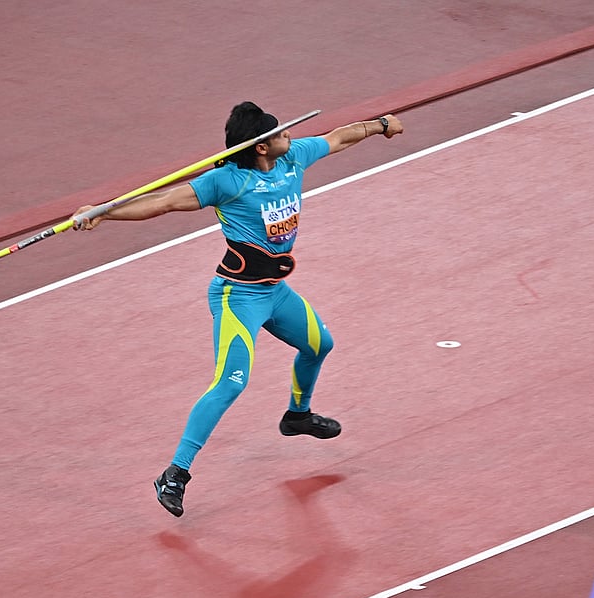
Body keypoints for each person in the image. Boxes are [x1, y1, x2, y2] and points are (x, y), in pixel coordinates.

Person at [71, 102, 404, 517]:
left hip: (275, 292)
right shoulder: (226, 181)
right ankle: (175, 473)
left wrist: (380, 125)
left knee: (320, 345)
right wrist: (102, 213)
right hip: (237, 298)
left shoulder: (293, 157)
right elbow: (165, 201)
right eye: (280, 131)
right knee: (231, 383)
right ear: (260, 147)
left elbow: (338, 137)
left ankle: (297, 416)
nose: (289, 133)